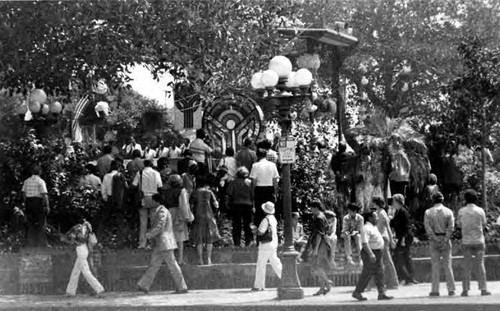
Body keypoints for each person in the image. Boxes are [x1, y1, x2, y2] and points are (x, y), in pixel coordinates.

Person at [136, 194, 188, 294]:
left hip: (164, 243)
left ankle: (182, 286)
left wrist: (148, 235)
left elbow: (160, 226)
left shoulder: (162, 211)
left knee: (170, 265)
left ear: (156, 201)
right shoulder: (159, 210)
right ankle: (144, 285)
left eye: (152, 201)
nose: (150, 202)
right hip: (162, 243)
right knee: (156, 265)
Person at [352, 210, 393, 301]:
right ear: (370, 218)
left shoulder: (374, 227)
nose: (377, 218)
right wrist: (371, 254)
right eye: (375, 216)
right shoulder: (366, 228)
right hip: (371, 252)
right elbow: (365, 243)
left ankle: (381, 293)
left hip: (377, 252)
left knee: (379, 272)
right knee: (367, 273)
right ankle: (357, 292)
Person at [457, 189, 491, 297]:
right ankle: (483, 289)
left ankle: (465, 289)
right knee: (480, 264)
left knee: (467, 266)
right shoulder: (480, 211)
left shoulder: (461, 211)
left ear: (465, 199)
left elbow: (459, 225)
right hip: (479, 241)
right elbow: (484, 223)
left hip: (466, 241)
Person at [61, 214, 104, 297]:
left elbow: (71, 241)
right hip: (85, 249)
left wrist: (63, 239)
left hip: (80, 250)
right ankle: (70, 292)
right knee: (75, 272)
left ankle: (99, 289)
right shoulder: (87, 226)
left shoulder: (76, 228)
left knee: (86, 272)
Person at [424, 191, 456, 296]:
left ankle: (435, 290)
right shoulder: (449, 212)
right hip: (446, 240)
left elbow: (427, 228)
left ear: (433, 200)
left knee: (435, 265)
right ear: (442, 200)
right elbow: (451, 227)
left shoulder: (428, 212)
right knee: (448, 265)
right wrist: (446, 239)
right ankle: (451, 289)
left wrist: (435, 238)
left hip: (434, 240)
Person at [190, 175, 220, 265]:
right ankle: (209, 259)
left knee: (199, 237)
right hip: (209, 215)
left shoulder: (194, 192)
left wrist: (191, 216)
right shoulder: (209, 192)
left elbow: (191, 206)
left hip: (198, 216)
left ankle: (200, 259)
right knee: (209, 238)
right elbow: (216, 204)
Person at [252, 202, 282, 291]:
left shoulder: (265, 220)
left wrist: (255, 230)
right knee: (276, 263)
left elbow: (261, 231)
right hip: (273, 244)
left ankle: (259, 285)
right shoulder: (273, 219)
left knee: (261, 265)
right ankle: (286, 278)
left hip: (265, 245)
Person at [133, 159, 163, 249]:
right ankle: (152, 243)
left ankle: (142, 243)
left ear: (144, 165)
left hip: (143, 198)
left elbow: (134, 185)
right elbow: (160, 186)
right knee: (154, 222)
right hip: (154, 198)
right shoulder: (156, 173)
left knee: (143, 222)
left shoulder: (140, 173)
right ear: (152, 165)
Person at [307, 201, 334, 296]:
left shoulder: (319, 218)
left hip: (320, 245)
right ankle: (322, 288)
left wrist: (315, 249)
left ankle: (327, 283)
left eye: (312, 208)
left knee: (317, 266)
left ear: (316, 208)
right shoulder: (322, 216)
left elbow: (319, 234)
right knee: (319, 266)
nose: (311, 210)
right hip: (324, 243)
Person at [164, 174, 193, 266]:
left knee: (169, 237)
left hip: (168, 213)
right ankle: (180, 260)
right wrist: (187, 217)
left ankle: (169, 260)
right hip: (178, 214)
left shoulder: (166, 191)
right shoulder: (182, 191)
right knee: (180, 238)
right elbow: (183, 205)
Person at [390, 193, 418, 285]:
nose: (392, 203)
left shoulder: (403, 211)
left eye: (394, 201)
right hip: (402, 236)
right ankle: (407, 277)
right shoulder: (398, 211)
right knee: (403, 256)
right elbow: (394, 223)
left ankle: (409, 277)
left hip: (405, 237)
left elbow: (406, 226)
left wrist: (402, 239)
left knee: (404, 256)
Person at [372, 197, 398, 289]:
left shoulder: (382, 213)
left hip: (384, 238)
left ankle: (394, 282)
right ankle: (386, 282)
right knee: (383, 261)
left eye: (374, 203)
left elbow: (388, 228)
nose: (373, 205)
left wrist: (391, 240)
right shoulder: (377, 213)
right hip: (379, 238)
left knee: (387, 261)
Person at [249, 148, 279, 227]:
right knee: (270, 209)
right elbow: (275, 180)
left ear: (257, 156)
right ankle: (271, 226)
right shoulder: (272, 165)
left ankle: (260, 228)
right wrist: (275, 192)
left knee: (259, 211)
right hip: (269, 189)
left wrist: (252, 192)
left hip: (259, 190)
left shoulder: (255, 165)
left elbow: (253, 181)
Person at [21, 165, 50, 247]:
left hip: (29, 202)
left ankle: (30, 243)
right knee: (41, 223)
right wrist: (47, 206)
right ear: (40, 172)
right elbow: (44, 194)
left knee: (30, 223)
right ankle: (42, 243)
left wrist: (25, 202)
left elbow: (23, 193)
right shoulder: (41, 181)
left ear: (32, 172)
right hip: (37, 202)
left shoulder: (26, 181)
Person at [226, 166, 254, 247]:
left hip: (236, 205)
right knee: (247, 225)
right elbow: (252, 195)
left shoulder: (233, 182)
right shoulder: (249, 182)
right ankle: (248, 243)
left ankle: (237, 243)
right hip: (247, 205)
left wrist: (227, 204)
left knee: (236, 225)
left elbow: (229, 194)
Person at [99, 160, 128, 236]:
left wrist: (105, 198)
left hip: (110, 198)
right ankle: (121, 236)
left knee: (105, 218)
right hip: (119, 200)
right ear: (119, 167)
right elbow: (126, 188)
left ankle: (102, 235)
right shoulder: (121, 176)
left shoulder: (106, 176)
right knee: (119, 219)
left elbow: (103, 189)